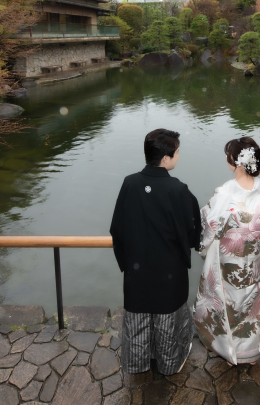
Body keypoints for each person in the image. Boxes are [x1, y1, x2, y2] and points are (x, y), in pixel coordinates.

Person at [110, 128, 203, 375]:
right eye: (178, 152)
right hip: (169, 271)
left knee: (138, 316)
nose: (179, 156)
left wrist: (126, 263)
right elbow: (194, 229)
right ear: (166, 158)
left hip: (136, 270)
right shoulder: (178, 190)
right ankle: (169, 363)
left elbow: (117, 228)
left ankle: (138, 362)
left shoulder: (129, 183)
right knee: (167, 319)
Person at [193, 137, 260, 365]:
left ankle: (229, 350)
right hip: (258, 263)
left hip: (229, 265)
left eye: (229, 156)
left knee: (229, 306)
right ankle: (254, 352)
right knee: (255, 306)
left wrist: (205, 246)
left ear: (235, 161)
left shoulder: (223, 194)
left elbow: (207, 228)